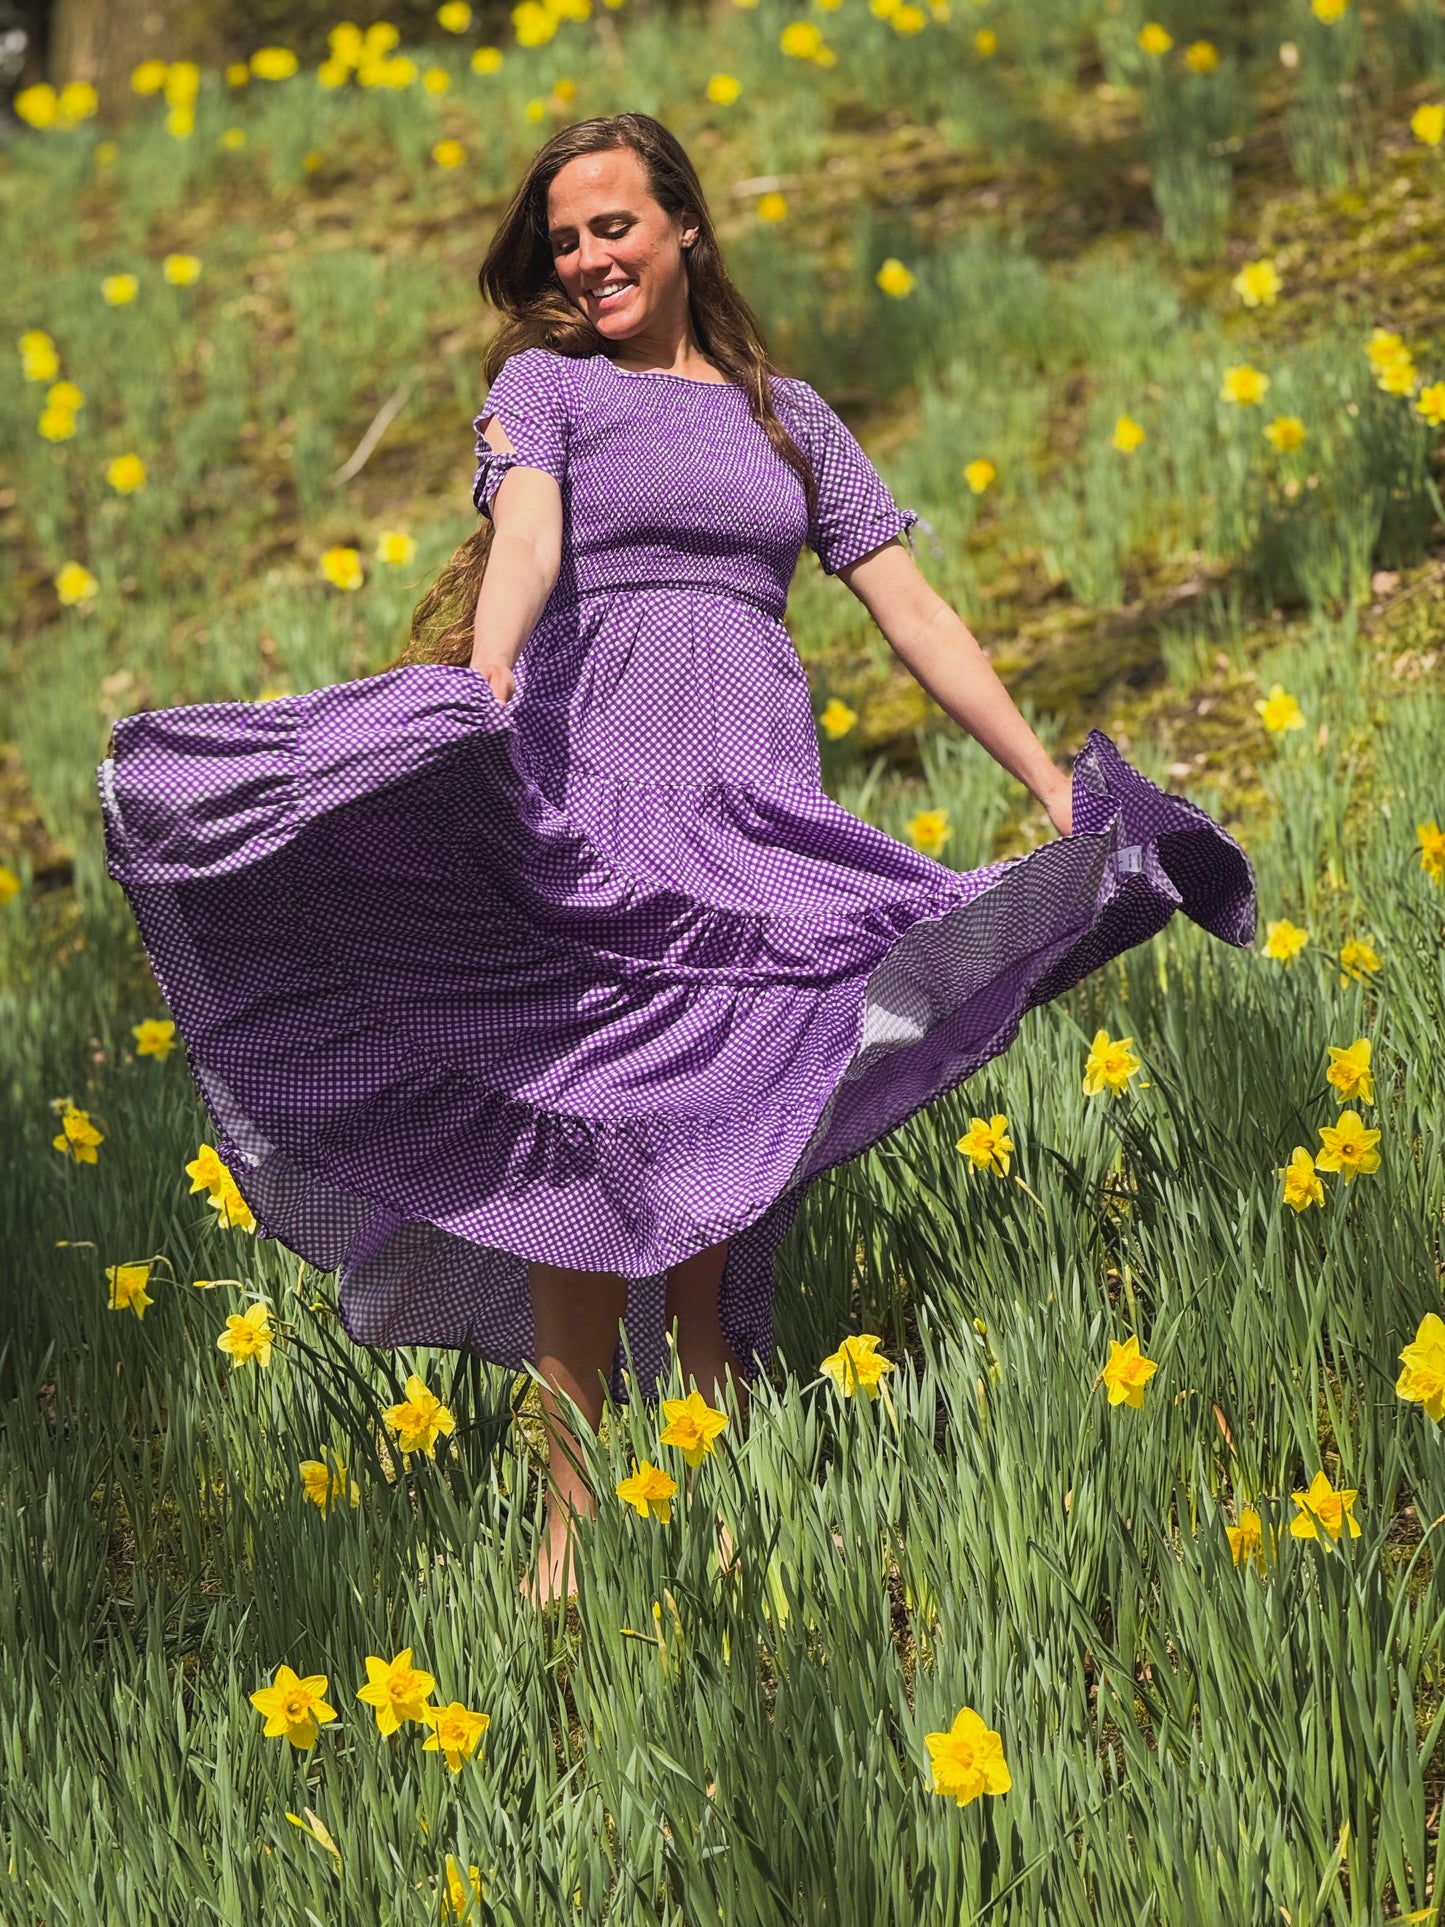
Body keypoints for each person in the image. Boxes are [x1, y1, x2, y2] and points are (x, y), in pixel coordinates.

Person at [97, 113, 1256, 1614]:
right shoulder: (547, 387)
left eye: (612, 227)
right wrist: (489, 679)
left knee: (733, 1104)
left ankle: (718, 1489)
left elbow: (913, 611)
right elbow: (521, 542)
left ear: (684, 226)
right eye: (564, 241)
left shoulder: (789, 418)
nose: (586, 259)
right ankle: (570, 1533)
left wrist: (1045, 780)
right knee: (591, 1122)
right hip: (601, 776)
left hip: (754, 792)